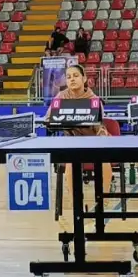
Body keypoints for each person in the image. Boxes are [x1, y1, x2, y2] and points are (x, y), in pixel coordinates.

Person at [47, 64, 114, 210]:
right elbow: (48, 119)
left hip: (93, 141)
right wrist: (59, 122)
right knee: (71, 162)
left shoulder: (94, 99)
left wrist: (102, 137)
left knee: (104, 161)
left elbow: (100, 125)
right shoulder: (61, 97)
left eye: (76, 76)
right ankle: (75, 202)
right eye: (68, 77)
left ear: (84, 79)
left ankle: (104, 201)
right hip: (71, 142)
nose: (72, 79)